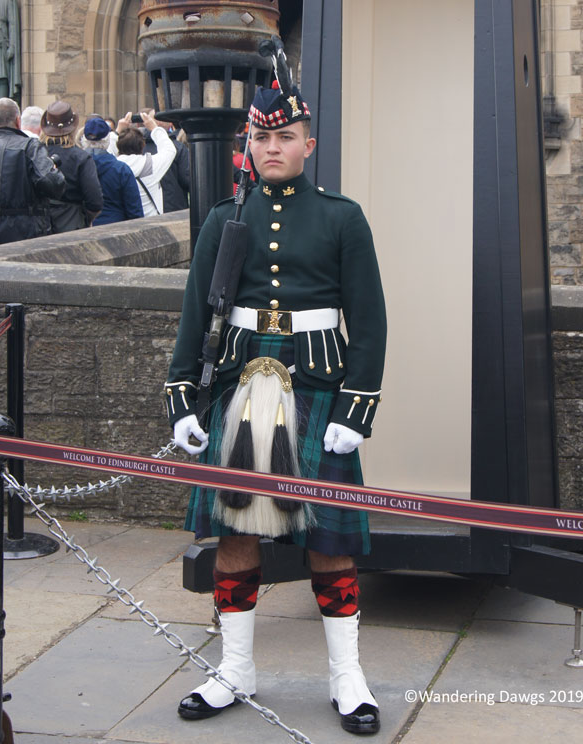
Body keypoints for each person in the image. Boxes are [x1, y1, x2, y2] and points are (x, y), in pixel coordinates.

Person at [165, 82, 386, 735]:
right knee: (234, 533)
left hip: (317, 384)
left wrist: (356, 409)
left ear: (307, 145)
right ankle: (235, 670)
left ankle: (347, 677)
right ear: (249, 144)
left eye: (284, 137)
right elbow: (195, 313)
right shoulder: (224, 218)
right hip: (238, 384)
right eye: (261, 137)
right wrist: (182, 397)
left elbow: (369, 321)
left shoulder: (342, 218)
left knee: (329, 537)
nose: (272, 147)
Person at [0, 97, 65, 245]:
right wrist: (53, 169)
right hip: (26, 232)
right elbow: (53, 183)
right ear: (18, 121)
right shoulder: (30, 146)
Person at [40, 100, 103, 232]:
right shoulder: (81, 158)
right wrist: (84, 217)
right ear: (73, 127)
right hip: (71, 224)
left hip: (38, 224)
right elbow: (95, 201)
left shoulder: (34, 154)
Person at [81, 115, 144, 225]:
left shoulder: (77, 166)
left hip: (83, 226)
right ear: (107, 140)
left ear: (84, 140)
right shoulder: (121, 170)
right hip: (115, 226)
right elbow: (135, 211)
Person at [115, 111, 176, 216]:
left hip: (122, 220)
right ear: (143, 145)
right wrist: (154, 128)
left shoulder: (113, 166)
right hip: (150, 219)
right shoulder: (151, 164)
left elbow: (104, 147)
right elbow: (169, 150)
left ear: (118, 145)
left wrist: (117, 131)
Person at [141, 113, 190, 212]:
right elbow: (188, 179)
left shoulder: (139, 147)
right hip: (174, 209)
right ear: (169, 124)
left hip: (145, 210)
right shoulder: (178, 147)